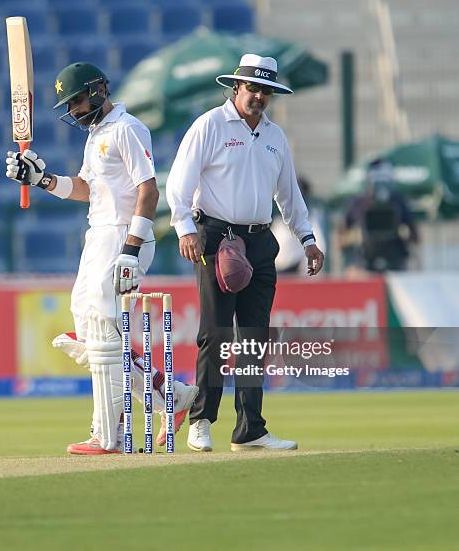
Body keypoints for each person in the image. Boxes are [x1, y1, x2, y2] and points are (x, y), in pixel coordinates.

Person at [6, 62, 198, 455]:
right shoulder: (95, 135)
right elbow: (84, 189)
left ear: (97, 90)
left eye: (76, 100)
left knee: (101, 327)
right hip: (99, 233)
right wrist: (41, 179)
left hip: (122, 234)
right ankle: (169, 393)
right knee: (89, 320)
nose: (73, 109)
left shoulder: (128, 128)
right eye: (68, 104)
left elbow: (149, 191)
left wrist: (131, 248)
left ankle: (107, 433)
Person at [166, 54, 325, 452]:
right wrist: (185, 228)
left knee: (254, 337)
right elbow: (178, 183)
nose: (258, 96)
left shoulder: (275, 136)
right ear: (235, 87)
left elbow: (289, 195)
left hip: (259, 240)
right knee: (215, 335)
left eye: (265, 90)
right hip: (216, 236)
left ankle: (250, 428)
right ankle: (201, 420)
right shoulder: (210, 125)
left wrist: (306, 239)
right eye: (252, 88)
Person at [342, 159, 419, 272]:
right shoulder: (360, 202)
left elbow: (414, 233)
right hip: (367, 258)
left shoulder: (397, 201)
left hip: (394, 258)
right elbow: (343, 233)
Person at [272, 176, 326, 274]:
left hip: (294, 270)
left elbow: (319, 245)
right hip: (274, 268)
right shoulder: (276, 219)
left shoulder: (311, 217)